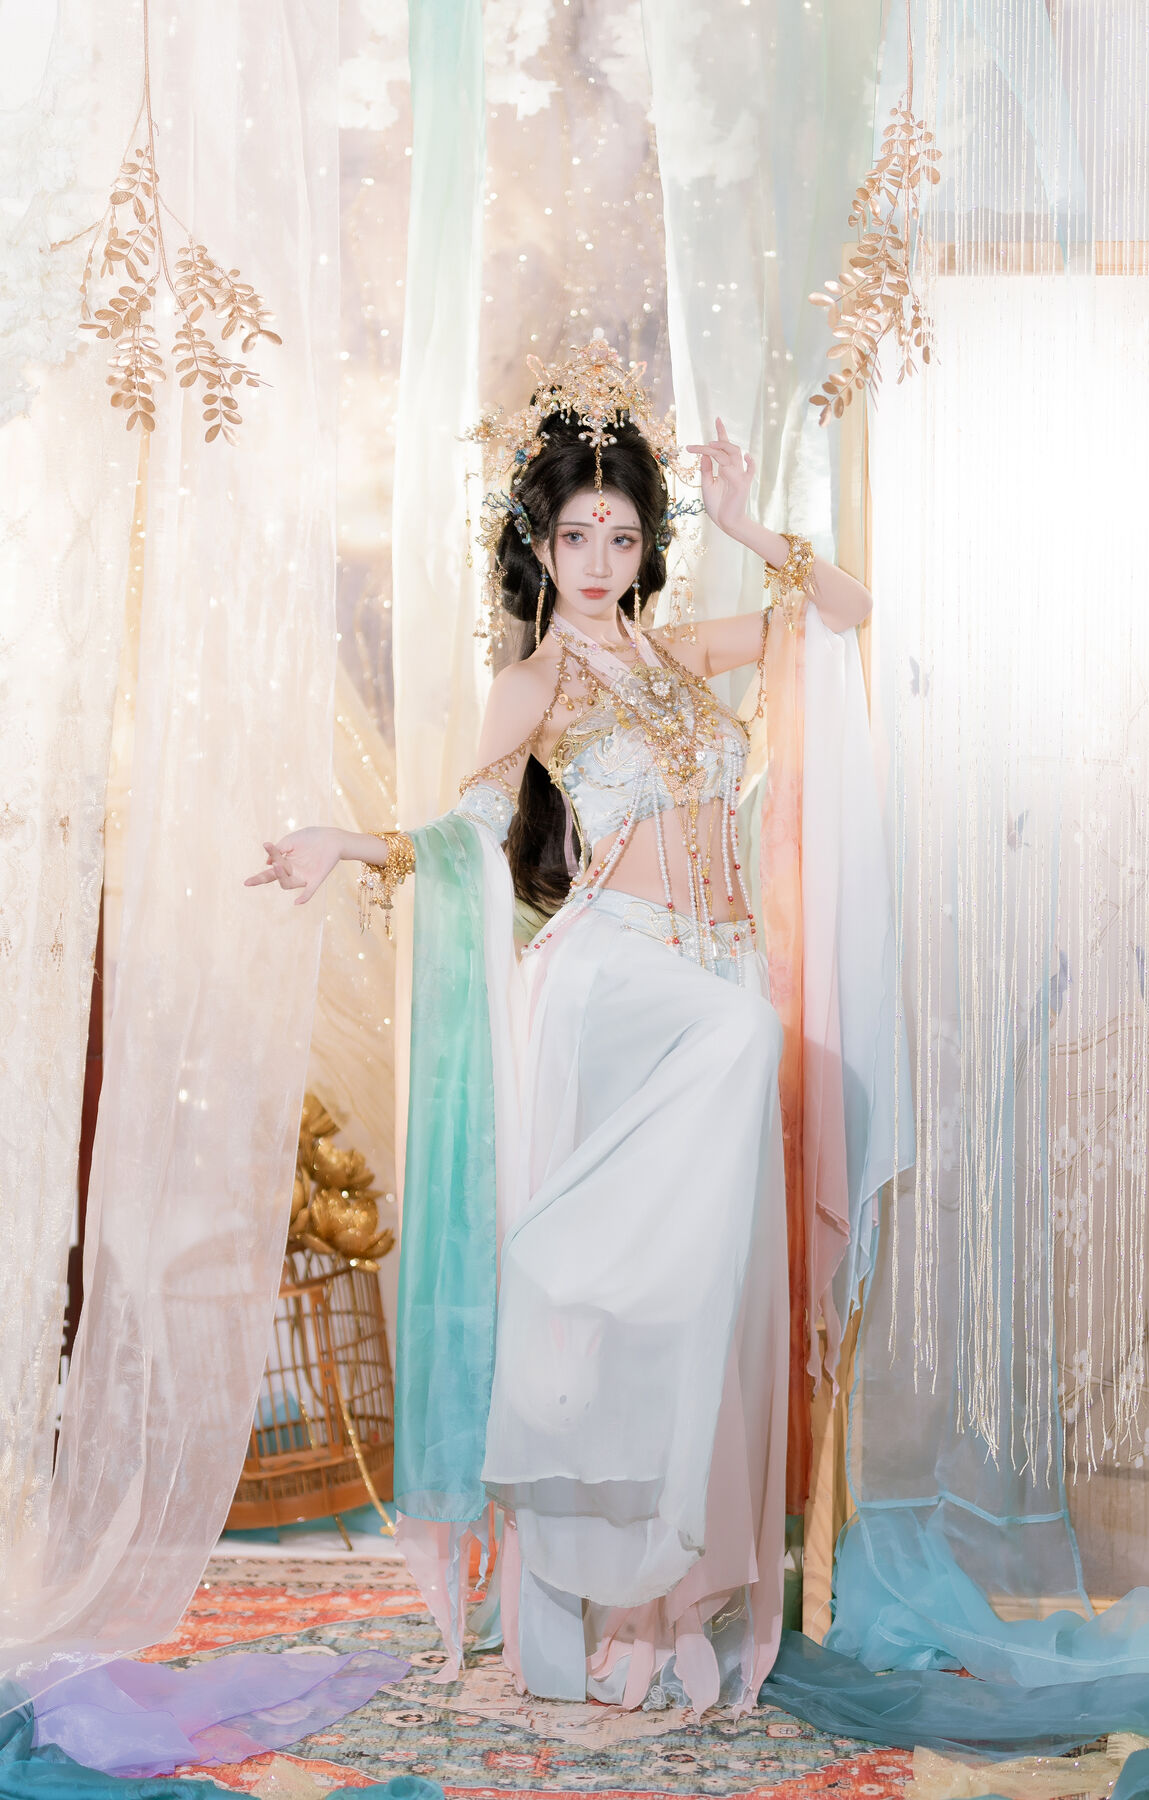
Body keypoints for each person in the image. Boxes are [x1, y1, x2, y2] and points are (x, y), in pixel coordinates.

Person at [246, 336, 895, 1718]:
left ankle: (662, 1601)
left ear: (647, 547)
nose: (600, 558)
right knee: (733, 1066)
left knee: (701, 1301)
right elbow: (469, 827)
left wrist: (746, 525)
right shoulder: (536, 686)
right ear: (538, 549)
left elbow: (845, 612)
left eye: (623, 534)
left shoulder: (681, 655)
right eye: (576, 535)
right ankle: (550, 1323)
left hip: (718, 974)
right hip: (618, 983)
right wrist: (346, 845)